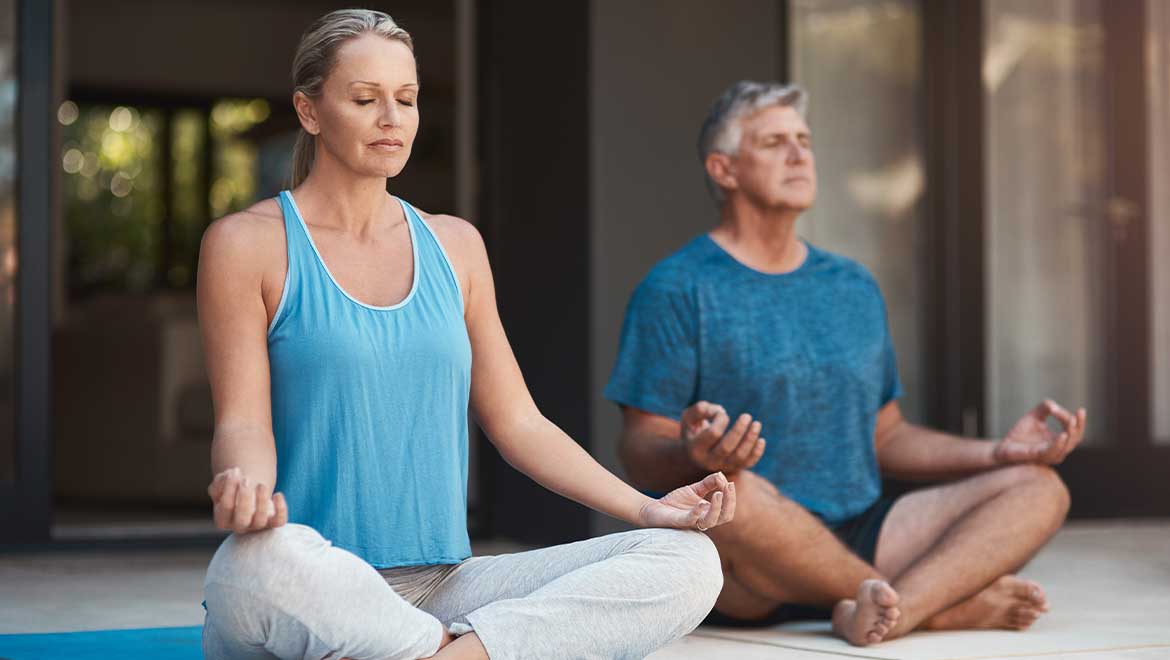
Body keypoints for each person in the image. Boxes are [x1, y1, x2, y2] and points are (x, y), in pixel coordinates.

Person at [197, 10, 732, 660]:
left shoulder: (455, 247)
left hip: (444, 587)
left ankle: (453, 654)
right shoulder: (246, 245)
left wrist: (648, 510)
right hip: (315, 583)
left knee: (687, 560)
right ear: (309, 111)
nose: (392, 119)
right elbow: (244, 423)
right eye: (365, 99)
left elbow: (519, 425)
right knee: (251, 566)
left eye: (407, 99)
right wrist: (245, 487)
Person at [606, 81, 1082, 647]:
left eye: (804, 140)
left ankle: (889, 607)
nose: (799, 153)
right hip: (747, 552)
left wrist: (997, 454)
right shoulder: (676, 287)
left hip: (864, 530)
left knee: (1040, 487)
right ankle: (930, 605)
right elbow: (638, 448)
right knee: (732, 491)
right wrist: (691, 453)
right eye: (774, 141)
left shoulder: (852, 285)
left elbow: (888, 435)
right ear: (724, 170)